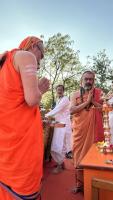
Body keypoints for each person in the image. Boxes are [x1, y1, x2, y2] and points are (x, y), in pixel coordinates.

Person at [0, 36, 50, 199]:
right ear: (34, 46)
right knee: (23, 188)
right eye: (41, 55)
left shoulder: (4, 62)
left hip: (4, 139)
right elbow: (32, 99)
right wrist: (40, 90)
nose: (40, 61)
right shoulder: (26, 56)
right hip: (21, 142)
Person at [70, 70, 104, 193]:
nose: (88, 81)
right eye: (86, 79)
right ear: (81, 80)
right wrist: (86, 103)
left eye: (91, 79)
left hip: (95, 131)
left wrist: (92, 101)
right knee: (78, 157)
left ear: (94, 81)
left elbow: (104, 109)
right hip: (79, 131)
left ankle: (93, 184)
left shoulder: (99, 93)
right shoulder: (74, 94)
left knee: (94, 157)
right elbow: (72, 110)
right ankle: (79, 185)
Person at [45, 85, 72, 173]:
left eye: (61, 90)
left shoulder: (65, 99)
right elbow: (57, 112)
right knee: (56, 143)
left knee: (60, 144)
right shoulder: (58, 100)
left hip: (64, 125)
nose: (59, 91)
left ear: (63, 91)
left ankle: (60, 165)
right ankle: (60, 162)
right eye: (58, 90)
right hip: (58, 124)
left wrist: (46, 115)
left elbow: (57, 109)